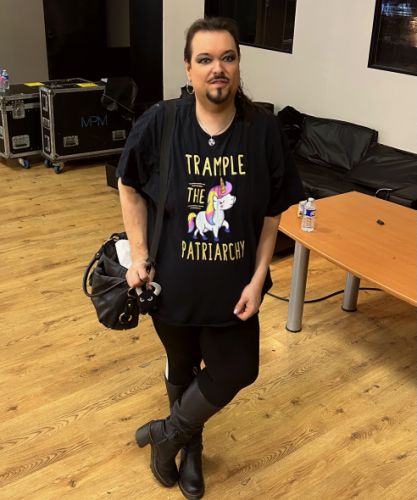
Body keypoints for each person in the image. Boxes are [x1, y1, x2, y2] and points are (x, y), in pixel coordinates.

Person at [116, 16, 305, 500]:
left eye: (227, 57)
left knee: (239, 368)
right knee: (181, 366)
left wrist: (259, 277)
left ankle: (167, 435)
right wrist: (138, 255)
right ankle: (191, 446)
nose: (217, 68)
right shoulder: (162, 122)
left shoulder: (263, 132)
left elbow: (272, 213)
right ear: (189, 68)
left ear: (238, 65)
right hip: (170, 284)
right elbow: (128, 183)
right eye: (205, 59)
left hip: (234, 288)